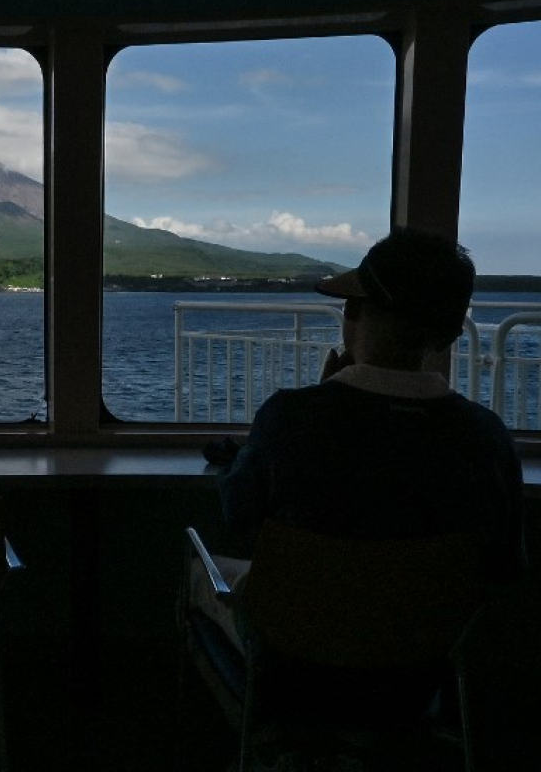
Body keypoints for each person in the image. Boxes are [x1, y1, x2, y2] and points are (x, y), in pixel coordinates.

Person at [195, 228, 524, 651]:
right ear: (449, 335)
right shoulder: (487, 439)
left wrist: (321, 399)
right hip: (418, 678)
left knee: (201, 570)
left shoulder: (290, 418)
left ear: (352, 311)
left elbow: (238, 515)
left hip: (292, 667)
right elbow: (504, 568)